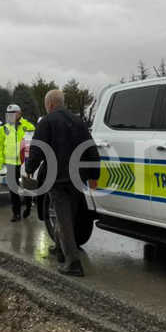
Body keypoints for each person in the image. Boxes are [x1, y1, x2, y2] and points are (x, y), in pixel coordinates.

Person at [24, 89, 99, 276]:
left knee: (63, 218)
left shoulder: (47, 122)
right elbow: (90, 149)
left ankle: (73, 263)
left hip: (57, 178)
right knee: (68, 216)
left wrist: (30, 168)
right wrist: (93, 175)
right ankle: (60, 248)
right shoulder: (78, 121)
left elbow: (38, 149)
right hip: (76, 177)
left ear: (49, 104)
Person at [0, 103, 36, 222]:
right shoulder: (3, 128)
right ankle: (16, 213)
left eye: (13, 113)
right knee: (13, 189)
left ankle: (28, 207)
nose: (11, 115)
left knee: (27, 187)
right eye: (9, 113)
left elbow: (34, 142)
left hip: (24, 162)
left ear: (19, 113)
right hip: (10, 163)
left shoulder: (28, 126)